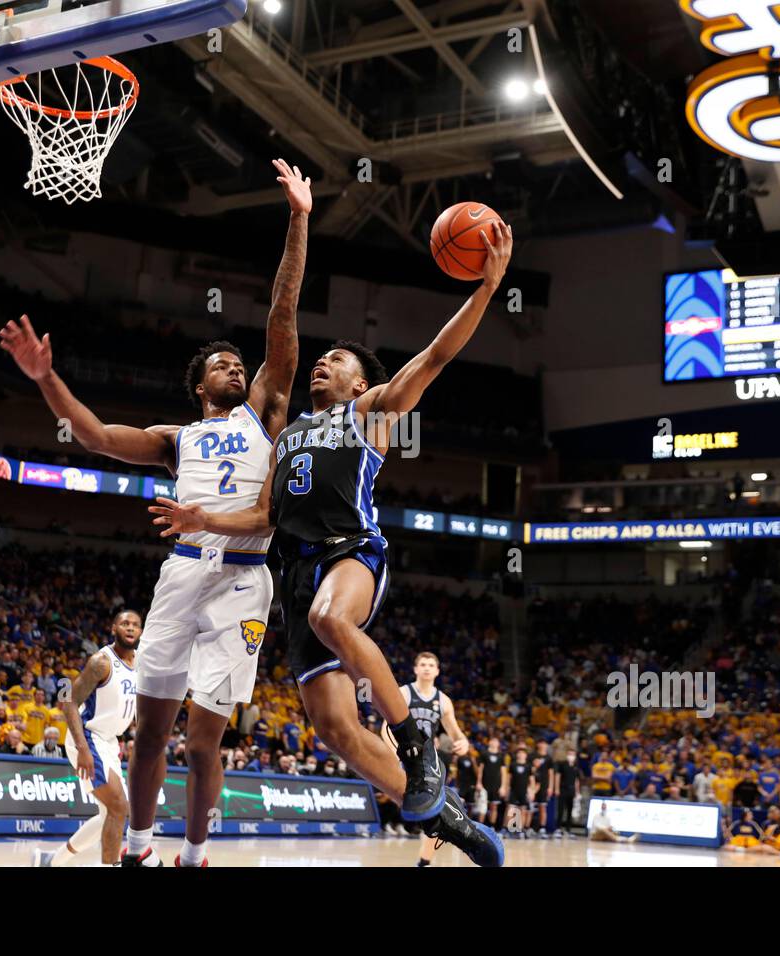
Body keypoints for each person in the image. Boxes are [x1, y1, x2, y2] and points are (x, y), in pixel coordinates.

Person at [150, 220, 514, 867]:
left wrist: (486, 289)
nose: (324, 361)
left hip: (352, 556)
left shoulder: (368, 414)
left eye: (338, 361)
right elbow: (263, 518)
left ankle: (418, 744)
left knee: (330, 614)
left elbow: (434, 356)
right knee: (339, 732)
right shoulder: (284, 436)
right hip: (294, 580)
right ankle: (449, 818)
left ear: (356, 384)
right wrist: (201, 517)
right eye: (324, 358)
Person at [4, 160, 309, 870]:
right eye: (224, 365)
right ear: (200, 385)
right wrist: (45, 378)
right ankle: (138, 851)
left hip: (243, 578)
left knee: (205, 742)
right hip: (180, 578)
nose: (238, 368)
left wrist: (297, 217)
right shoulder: (178, 439)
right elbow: (96, 437)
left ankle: (196, 854)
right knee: (150, 737)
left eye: (242, 363)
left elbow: (283, 315)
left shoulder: (266, 410)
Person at [35, 610, 140, 868]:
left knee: (110, 812)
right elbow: (68, 701)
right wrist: (83, 749)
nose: (130, 628)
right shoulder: (101, 662)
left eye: (136, 625)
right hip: (87, 737)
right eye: (125, 623)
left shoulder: (140, 663)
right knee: (118, 806)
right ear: (114, 628)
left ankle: (51, 861)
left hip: (109, 741)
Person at [401, 652, 472, 867]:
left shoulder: (443, 701)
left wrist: (464, 742)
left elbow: (456, 733)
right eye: (422, 664)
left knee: (435, 816)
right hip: (402, 755)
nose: (426, 668)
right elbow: (387, 726)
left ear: (437, 671)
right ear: (415, 669)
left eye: (431, 665)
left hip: (426, 762)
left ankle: (424, 862)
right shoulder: (404, 693)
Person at [477, 736, 509, 831]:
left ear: (498, 744)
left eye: (496, 741)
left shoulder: (501, 756)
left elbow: (504, 772)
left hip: (496, 785)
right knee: (483, 807)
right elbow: (480, 769)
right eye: (492, 740)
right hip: (484, 784)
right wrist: (479, 782)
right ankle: (480, 828)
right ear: (489, 742)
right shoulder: (484, 754)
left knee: (493, 806)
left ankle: (492, 827)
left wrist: (503, 786)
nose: (494, 742)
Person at [555, 748, 582, 836]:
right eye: (569, 754)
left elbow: (576, 780)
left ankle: (568, 829)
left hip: (572, 790)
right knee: (560, 809)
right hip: (563, 788)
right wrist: (557, 789)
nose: (571, 756)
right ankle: (558, 829)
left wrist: (577, 792)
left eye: (573, 754)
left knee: (570, 810)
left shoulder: (576, 766)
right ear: (567, 755)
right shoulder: (562, 765)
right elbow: (558, 776)